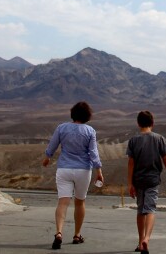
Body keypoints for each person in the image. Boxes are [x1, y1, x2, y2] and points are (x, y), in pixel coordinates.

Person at [42, 101, 105, 249]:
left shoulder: (62, 128)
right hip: (83, 170)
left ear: (73, 114)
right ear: (87, 115)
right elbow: (93, 153)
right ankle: (77, 235)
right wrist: (99, 171)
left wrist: (47, 157)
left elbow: (53, 145)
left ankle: (58, 233)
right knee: (80, 202)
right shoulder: (90, 131)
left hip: (64, 169)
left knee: (62, 202)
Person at [126, 110, 166, 254]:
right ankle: (147, 239)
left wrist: (130, 183)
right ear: (152, 123)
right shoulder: (159, 139)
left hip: (138, 180)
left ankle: (140, 242)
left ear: (138, 123)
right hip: (153, 180)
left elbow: (131, 163)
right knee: (150, 209)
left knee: (140, 210)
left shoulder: (133, 140)